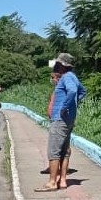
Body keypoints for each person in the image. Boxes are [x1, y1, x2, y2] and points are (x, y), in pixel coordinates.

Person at [36, 53, 86, 192]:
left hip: (60, 119)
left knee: (54, 151)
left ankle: (52, 182)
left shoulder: (67, 78)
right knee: (64, 152)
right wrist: (73, 106)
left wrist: (65, 107)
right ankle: (62, 181)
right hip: (68, 119)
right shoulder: (73, 77)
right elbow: (82, 91)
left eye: (58, 64)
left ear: (63, 66)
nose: (56, 67)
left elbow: (73, 91)